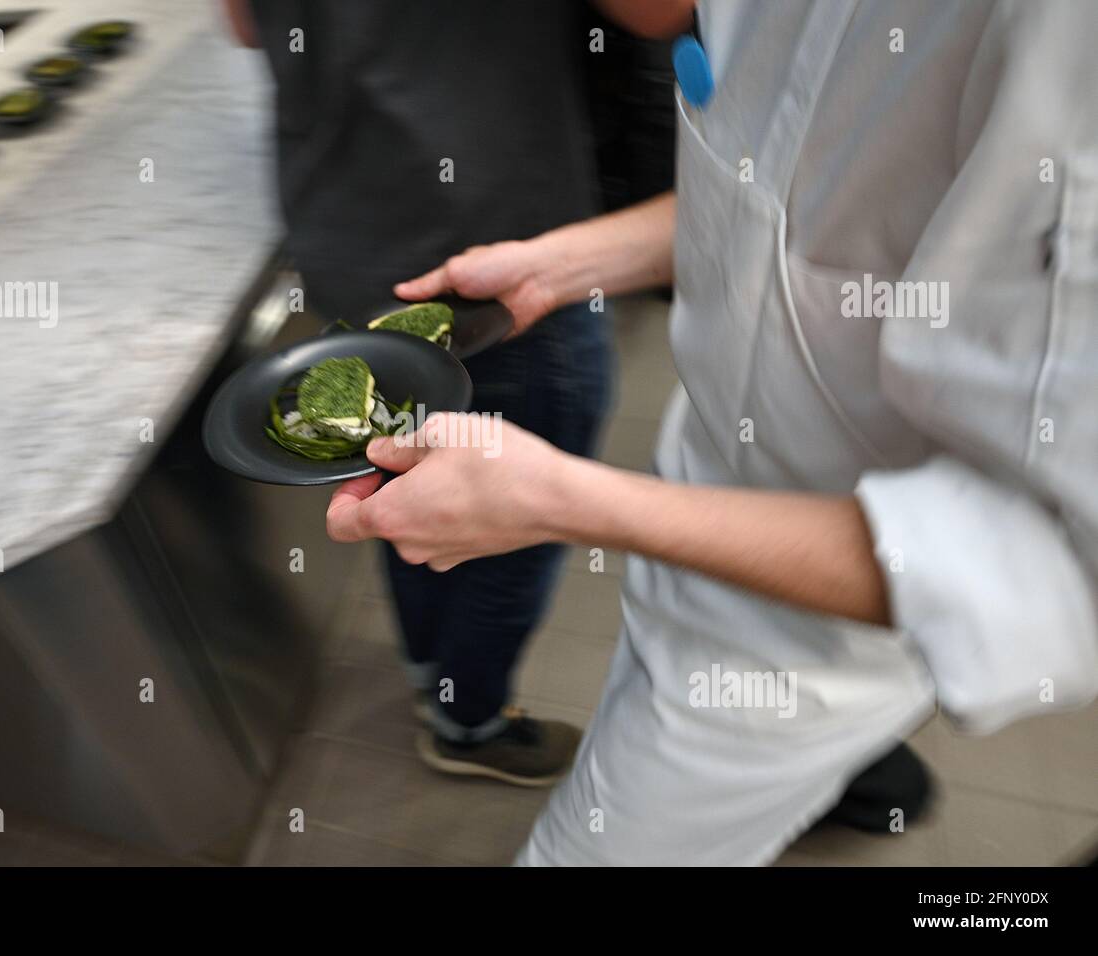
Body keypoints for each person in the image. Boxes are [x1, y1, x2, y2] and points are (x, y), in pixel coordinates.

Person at [326, 0, 1098, 864]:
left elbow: (1054, 565)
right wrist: (566, 263)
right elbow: (777, 200)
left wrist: (563, 501)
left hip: (804, 636)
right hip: (699, 485)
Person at [225, 0, 632, 784]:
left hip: (347, 232)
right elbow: (660, 13)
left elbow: (247, 24)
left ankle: (427, 668)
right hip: (491, 253)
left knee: (395, 464)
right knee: (523, 515)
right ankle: (468, 720)